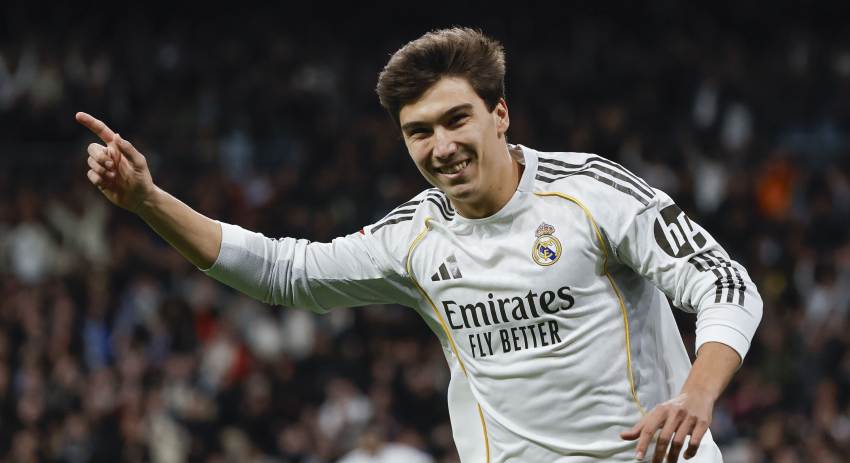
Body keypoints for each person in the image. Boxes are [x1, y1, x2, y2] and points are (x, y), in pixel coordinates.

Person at [78, 27, 762, 463]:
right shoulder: (414, 238)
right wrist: (147, 202)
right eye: (418, 131)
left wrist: (700, 396)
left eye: (456, 119)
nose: (441, 147)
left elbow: (723, 284)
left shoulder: (592, 193)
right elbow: (288, 271)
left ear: (499, 114)